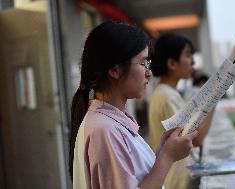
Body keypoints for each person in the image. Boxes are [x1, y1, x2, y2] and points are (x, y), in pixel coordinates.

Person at [69, 21, 198, 189]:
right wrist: (167, 157)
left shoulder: (109, 123)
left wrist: (161, 152)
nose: (149, 72)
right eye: (143, 62)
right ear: (115, 70)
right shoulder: (104, 130)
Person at [148, 33, 215, 189]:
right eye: (187, 55)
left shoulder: (167, 93)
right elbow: (194, 140)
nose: (192, 61)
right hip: (174, 182)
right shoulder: (165, 96)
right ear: (172, 63)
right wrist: (213, 97)